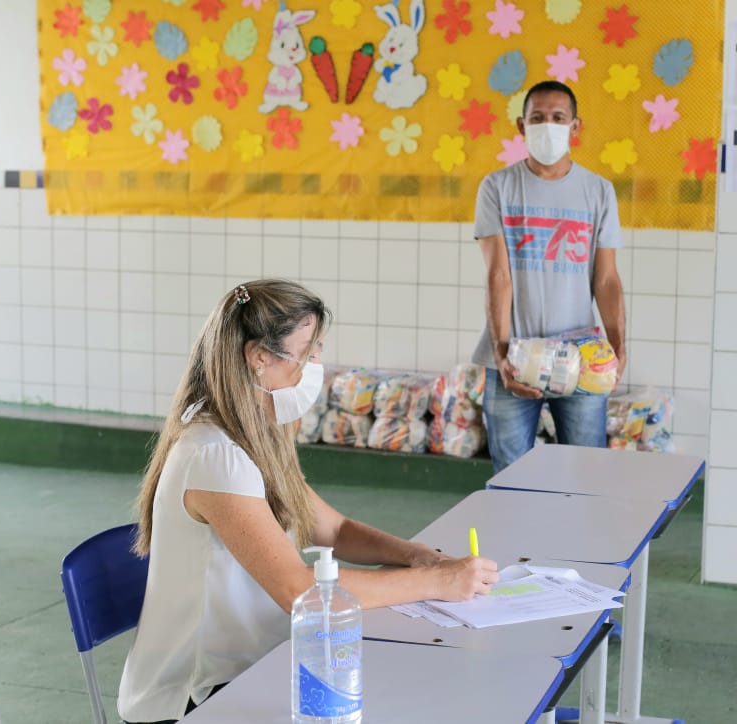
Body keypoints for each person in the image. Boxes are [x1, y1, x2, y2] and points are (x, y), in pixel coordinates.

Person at [118, 279, 498, 724]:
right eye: (309, 354)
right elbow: (298, 591)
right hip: (194, 698)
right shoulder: (214, 453)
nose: (318, 367)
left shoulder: (255, 432)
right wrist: (439, 583)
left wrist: (419, 558)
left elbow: (332, 530)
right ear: (259, 357)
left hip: (255, 665)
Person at [473, 80, 627, 473]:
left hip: (583, 359)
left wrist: (617, 346)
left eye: (558, 118)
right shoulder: (497, 187)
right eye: (537, 118)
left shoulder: (598, 191)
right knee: (511, 479)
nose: (548, 126)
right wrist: (502, 353)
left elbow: (606, 280)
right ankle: (518, 537)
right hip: (515, 355)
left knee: (584, 474)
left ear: (575, 127)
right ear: (521, 126)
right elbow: (499, 276)